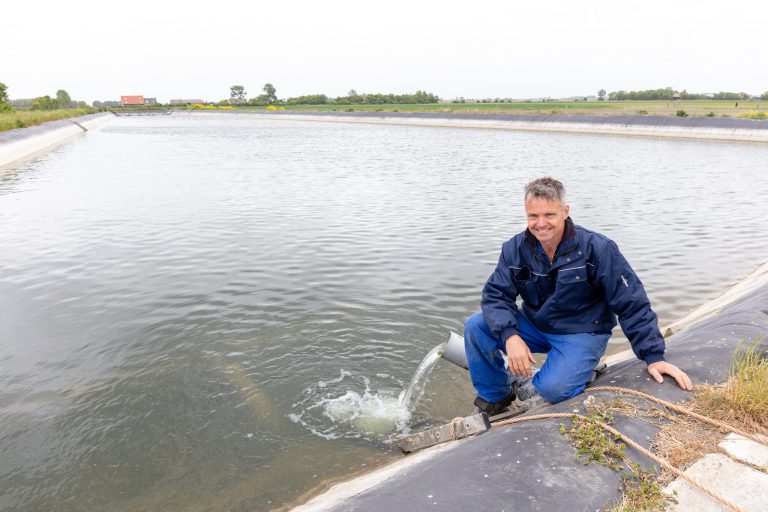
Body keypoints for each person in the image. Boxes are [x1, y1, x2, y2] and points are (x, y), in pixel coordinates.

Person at [464, 177, 692, 414]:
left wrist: (654, 356)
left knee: (552, 390)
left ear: (565, 211)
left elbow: (632, 302)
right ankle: (497, 396)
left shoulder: (598, 248)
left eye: (549, 215)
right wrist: (511, 336)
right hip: (537, 323)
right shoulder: (514, 249)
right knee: (476, 326)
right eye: (533, 216)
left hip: (583, 330)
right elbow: (496, 295)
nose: (541, 224)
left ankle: (580, 371)